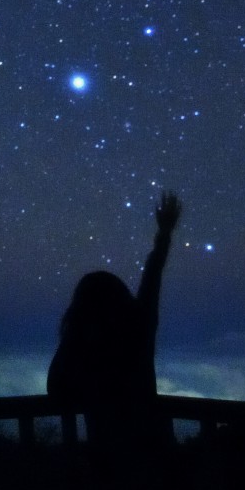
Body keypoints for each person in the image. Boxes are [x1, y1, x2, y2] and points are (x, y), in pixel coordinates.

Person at [47, 190, 182, 450]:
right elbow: (152, 276)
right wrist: (164, 234)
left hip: (106, 452)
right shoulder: (139, 328)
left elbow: (56, 386)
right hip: (155, 445)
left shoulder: (82, 346)